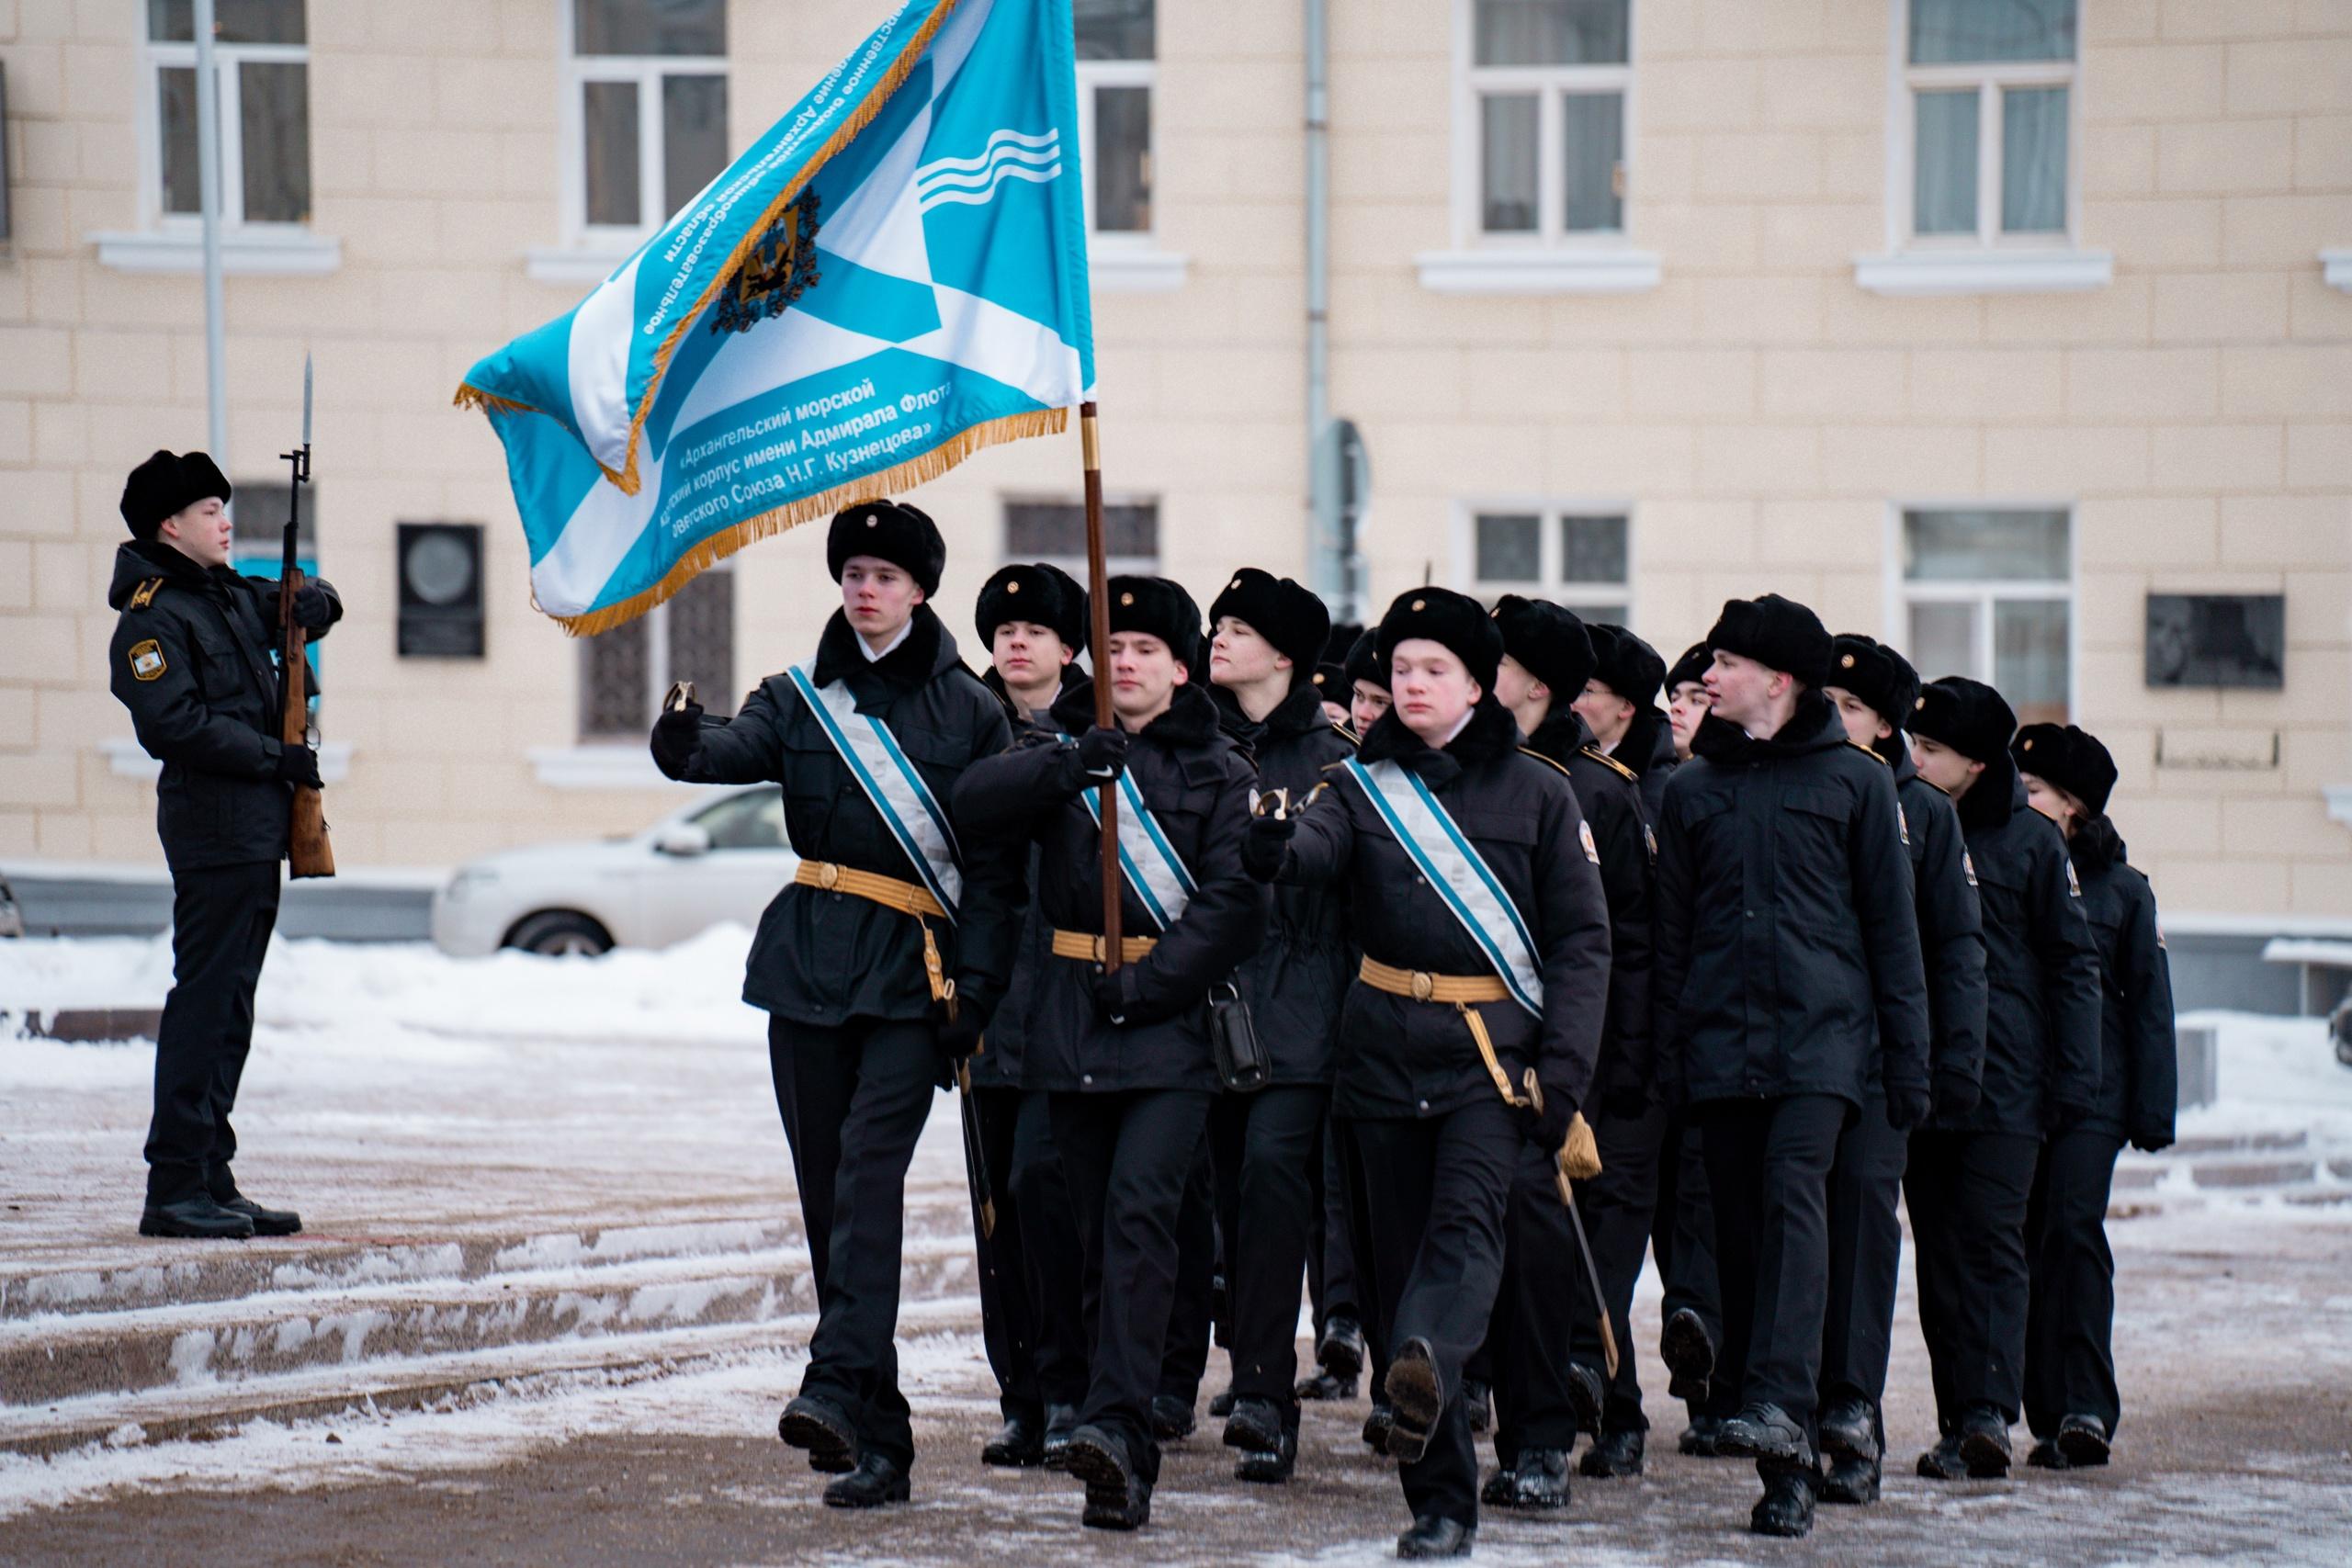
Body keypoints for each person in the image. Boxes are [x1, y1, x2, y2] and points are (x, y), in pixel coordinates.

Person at [649, 501, 1016, 1509]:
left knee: (867, 1182)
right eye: (852, 571)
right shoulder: (799, 696)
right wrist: (679, 737)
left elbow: (990, 869)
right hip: (808, 966)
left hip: (911, 979)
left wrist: (976, 992)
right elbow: (722, 754)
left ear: (921, 591)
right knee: (829, 1201)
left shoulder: (969, 710)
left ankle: (830, 1380)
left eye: (885, 576)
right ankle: (878, 1434)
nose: (865, 589)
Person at [1243, 587, 1611, 1560]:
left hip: (1489, 1065)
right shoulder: (1356, 787)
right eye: (1398, 670)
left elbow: (1582, 943)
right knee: (1400, 1262)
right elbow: (1313, 853)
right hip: (1376, 1059)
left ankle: (1433, 1363)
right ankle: (1439, 1502)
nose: (1408, 685)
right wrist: (1272, 846)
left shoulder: (1538, 792)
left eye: (1431, 669)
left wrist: (1562, 1073)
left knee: (1462, 1239)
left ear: (1479, 684)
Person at [954, 576, 1266, 1531]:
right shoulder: (1061, 753)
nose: (1124, 662)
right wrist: (1067, 766)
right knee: (1078, 1227)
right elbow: (973, 804)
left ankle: (1119, 1435)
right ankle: (1095, 1403)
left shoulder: (1221, 771)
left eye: (1144, 649)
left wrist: (1151, 985)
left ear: (1180, 667)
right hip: (1069, 1025)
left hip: (1166, 1031)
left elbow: (1232, 904)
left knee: (1138, 1221)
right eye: (1112, 647)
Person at [1651, 594, 1929, 1539]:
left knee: (1792, 1203)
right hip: (1722, 1048)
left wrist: (1908, 1066)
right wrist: (1665, 1056)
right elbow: (1672, 936)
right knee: (1740, 1237)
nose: (1707, 679)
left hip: (1825, 1046)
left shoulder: (1856, 785)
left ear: (1776, 679)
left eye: (1723, 664)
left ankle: (1778, 1398)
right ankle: (1785, 1462)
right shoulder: (1690, 791)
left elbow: (1894, 936)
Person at [108, 450, 342, 1241]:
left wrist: (314, 599)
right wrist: (276, 758)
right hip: (212, 829)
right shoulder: (153, 617)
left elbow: (302, 604)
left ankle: (211, 1169)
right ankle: (172, 1183)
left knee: (231, 1006)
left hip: (256, 829)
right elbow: (173, 725)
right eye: (210, 511)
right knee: (204, 1003)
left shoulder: (226, 597)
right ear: (169, 525)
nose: (225, 521)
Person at [1905, 678, 2103, 1483]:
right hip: (1923, 1080)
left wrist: (2074, 1083)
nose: (1915, 760)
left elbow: (2073, 964)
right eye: (1913, 744)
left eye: (1933, 750)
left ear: (1978, 764)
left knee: (1990, 1246)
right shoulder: (1908, 824)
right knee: (1939, 1254)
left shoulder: (2032, 846)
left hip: (2010, 1084)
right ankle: (1961, 1418)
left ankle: (1989, 1410)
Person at [1481, 597, 1656, 1506]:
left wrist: (1595, 1080)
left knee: (1564, 1258)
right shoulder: (1458, 774)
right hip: (1477, 1057)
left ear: (1534, 686)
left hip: (1572, 1069)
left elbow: (1623, 954)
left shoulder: (1596, 791)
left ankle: (1599, 1417)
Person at [1815, 635, 1989, 1506]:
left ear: (1888, 725)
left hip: (1880, 1060)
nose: (1833, 717)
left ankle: (1852, 1419)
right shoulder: (1788, 785)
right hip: (1795, 1057)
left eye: (1851, 707)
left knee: (1861, 1235)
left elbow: (1955, 947)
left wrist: (1951, 1066)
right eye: (1827, 701)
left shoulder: (1923, 811)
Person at [1197, 568, 1355, 1483]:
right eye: (1215, 624)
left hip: (1302, 1009)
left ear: (1285, 656)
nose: (1217, 638)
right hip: (1209, 1008)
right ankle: (1237, 1373)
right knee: (1222, 1200)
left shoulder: (1336, 755)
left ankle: (1265, 1394)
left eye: (1238, 628)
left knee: (1270, 1186)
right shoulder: (1196, 749)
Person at [2014, 723, 2175, 1471]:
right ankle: (2045, 1411)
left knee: (2073, 1233)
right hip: (2018, 1087)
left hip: (2094, 1098)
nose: (2023, 800)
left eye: (2036, 791)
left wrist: (2152, 1109)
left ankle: (2086, 1405)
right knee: (2026, 1241)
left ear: (2075, 806)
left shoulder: (2125, 891)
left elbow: (2149, 1003)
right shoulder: (2010, 868)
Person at [968, 562, 1092, 1468]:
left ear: (1067, 649)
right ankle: (1019, 1396)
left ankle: (1069, 1389)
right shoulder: (963, 730)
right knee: (995, 1214)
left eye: (1036, 632)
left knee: (1050, 1199)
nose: (1016, 643)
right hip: (982, 1000)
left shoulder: (1102, 732)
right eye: (1004, 630)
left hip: (1073, 1006)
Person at [1648, 636, 1728, 1451]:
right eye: (1675, 693)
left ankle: (1714, 1370)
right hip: (1663, 1037)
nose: (1680, 705)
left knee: (1709, 1210)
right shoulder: (1656, 788)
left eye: (1698, 695)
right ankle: (1698, 1359)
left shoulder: (1718, 793)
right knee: (1675, 1214)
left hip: (1722, 1040)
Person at [1573, 623, 1672, 823]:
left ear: (1626, 707)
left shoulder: (1660, 789)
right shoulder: (1558, 763)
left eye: (1585, 690)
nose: (1570, 702)